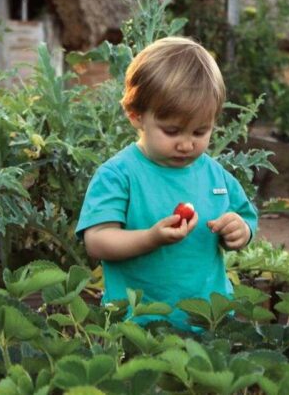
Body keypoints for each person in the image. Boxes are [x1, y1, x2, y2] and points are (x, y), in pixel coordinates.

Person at [75, 36, 258, 331]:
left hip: (208, 320)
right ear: (136, 116)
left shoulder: (216, 176)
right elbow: (96, 241)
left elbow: (245, 218)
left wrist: (240, 231)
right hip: (138, 323)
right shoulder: (119, 175)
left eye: (200, 131)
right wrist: (150, 238)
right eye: (172, 131)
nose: (186, 144)